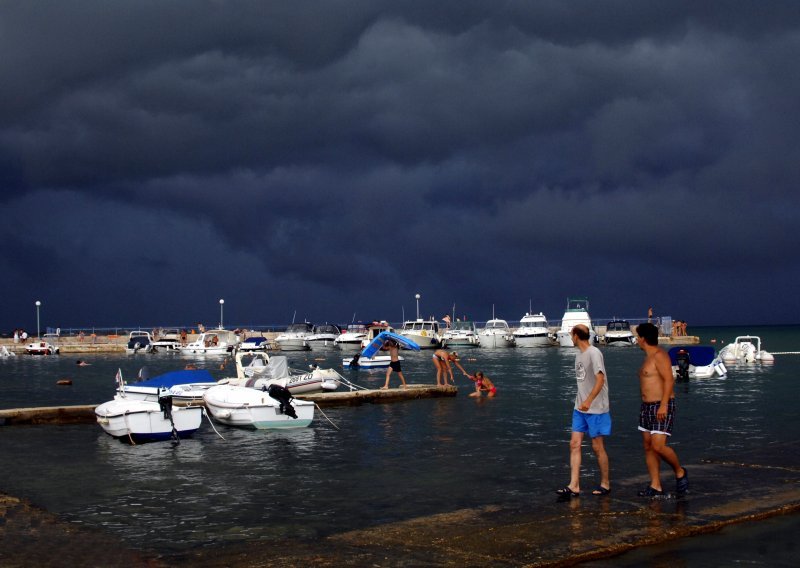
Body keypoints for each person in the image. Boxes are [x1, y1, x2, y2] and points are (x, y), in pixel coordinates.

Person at [555, 324, 611, 498]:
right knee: (574, 444)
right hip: (579, 408)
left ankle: (605, 484)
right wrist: (582, 401)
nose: (571, 338)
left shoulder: (594, 353)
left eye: (572, 335)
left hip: (596, 408)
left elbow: (600, 380)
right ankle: (574, 485)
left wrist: (589, 400)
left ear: (577, 335)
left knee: (597, 447)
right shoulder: (579, 355)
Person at [635, 322, 688, 498]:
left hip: (661, 405)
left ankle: (680, 472)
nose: (636, 340)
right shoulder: (647, 358)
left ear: (643, 339)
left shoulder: (659, 355)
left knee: (658, 446)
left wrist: (664, 405)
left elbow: (669, 380)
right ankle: (655, 485)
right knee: (648, 447)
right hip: (646, 407)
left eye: (637, 337)